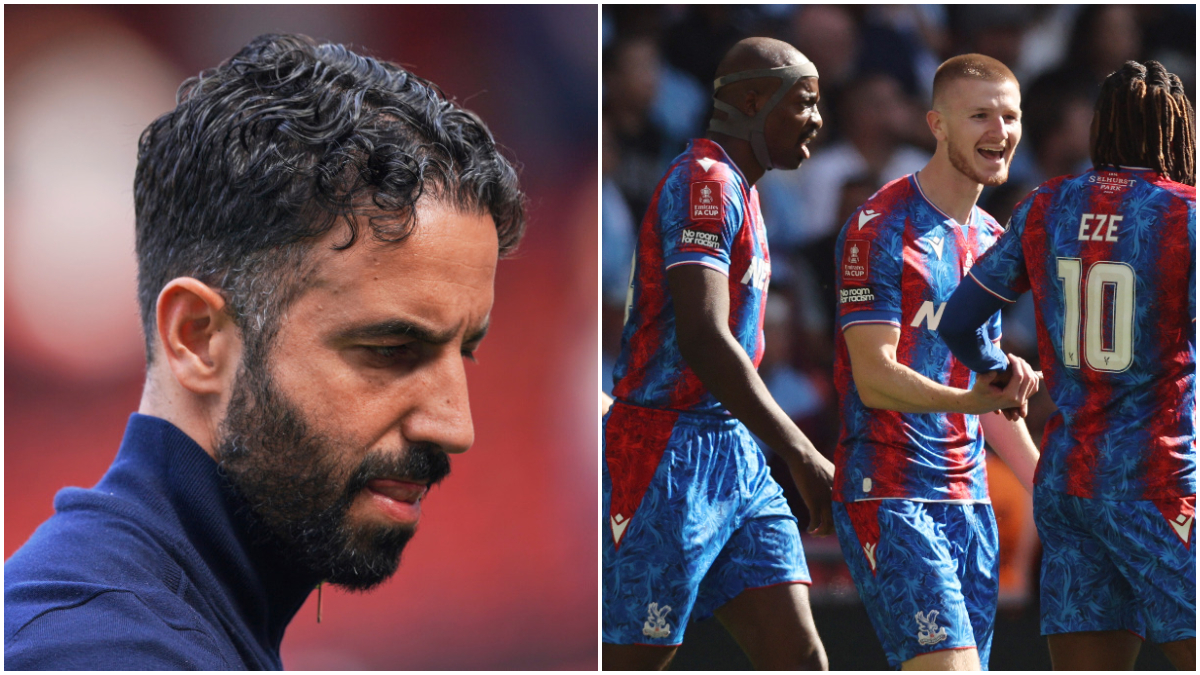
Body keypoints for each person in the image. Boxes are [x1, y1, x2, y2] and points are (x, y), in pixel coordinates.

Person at [4, 33, 525, 669]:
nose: (455, 426)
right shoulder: (103, 650)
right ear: (197, 338)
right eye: (390, 349)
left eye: (464, 351)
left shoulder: (175, 616)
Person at [939, 60, 1196, 671]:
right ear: (1178, 130)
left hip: (1068, 483)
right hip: (1156, 480)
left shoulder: (1047, 203)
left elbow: (956, 323)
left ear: (1100, 128)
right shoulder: (1185, 215)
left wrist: (999, 371)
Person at [603, 37, 831, 670]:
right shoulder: (704, 182)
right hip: (664, 455)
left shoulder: (743, 188)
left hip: (735, 454)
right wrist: (802, 450)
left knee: (800, 659)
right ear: (753, 101)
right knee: (633, 659)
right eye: (805, 102)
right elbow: (704, 337)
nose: (817, 118)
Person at [830, 54, 1042, 670]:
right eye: (979, 115)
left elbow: (990, 392)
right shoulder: (880, 226)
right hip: (890, 493)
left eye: (1009, 116)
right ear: (937, 123)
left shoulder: (993, 238)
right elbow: (874, 379)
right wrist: (973, 402)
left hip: (971, 502)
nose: (998, 132)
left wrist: (1052, 488)